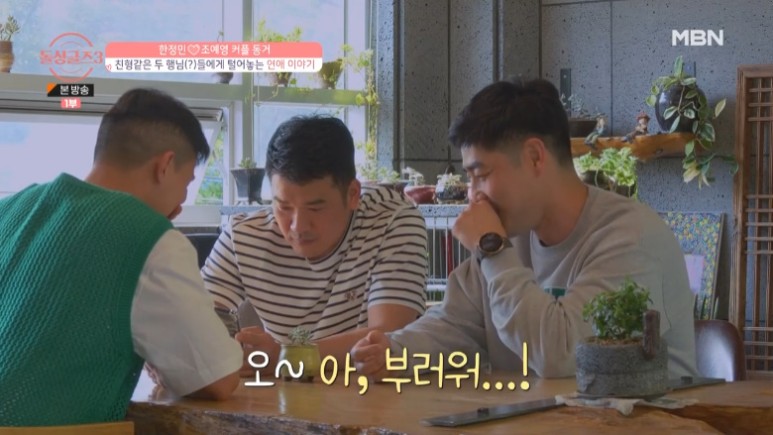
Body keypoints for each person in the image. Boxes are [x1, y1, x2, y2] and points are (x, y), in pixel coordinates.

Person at [351, 78, 698, 380]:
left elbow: (563, 355)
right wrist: (394, 351)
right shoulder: (512, 236)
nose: (472, 195)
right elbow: (454, 325)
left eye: (481, 175)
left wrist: (492, 248)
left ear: (534, 157)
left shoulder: (632, 237)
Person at [0, 88, 243, 426]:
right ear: (165, 166)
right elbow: (216, 378)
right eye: (186, 183)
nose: (181, 202)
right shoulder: (150, 239)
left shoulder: (11, 210)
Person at [202, 115, 428, 371]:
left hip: (369, 391)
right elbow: (196, 318)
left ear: (353, 194)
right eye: (284, 206)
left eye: (316, 208)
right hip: (283, 393)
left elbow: (387, 336)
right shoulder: (243, 235)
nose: (298, 226)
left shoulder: (392, 221)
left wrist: (284, 358)